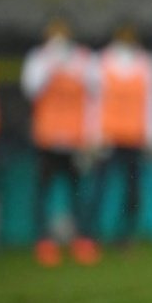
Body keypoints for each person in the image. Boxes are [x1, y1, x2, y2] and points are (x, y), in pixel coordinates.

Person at [20, 16, 100, 266]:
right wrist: (52, 62)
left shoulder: (84, 59)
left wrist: (92, 134)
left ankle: (83, 240)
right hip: (47, 137)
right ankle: (44, 242)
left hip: (76, 139)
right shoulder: (38, 59)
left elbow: (95, 94)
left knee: (77, 192)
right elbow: (31, 88)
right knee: (43, 191)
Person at [88, 22, 152, 247]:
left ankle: (125, 235)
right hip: (107, 136)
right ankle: (90, 235)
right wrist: (92, 134)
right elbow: (92, 103)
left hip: (135, 136)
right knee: (99, 188)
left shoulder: (149, 63)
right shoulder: (100, 62)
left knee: (132, 190)